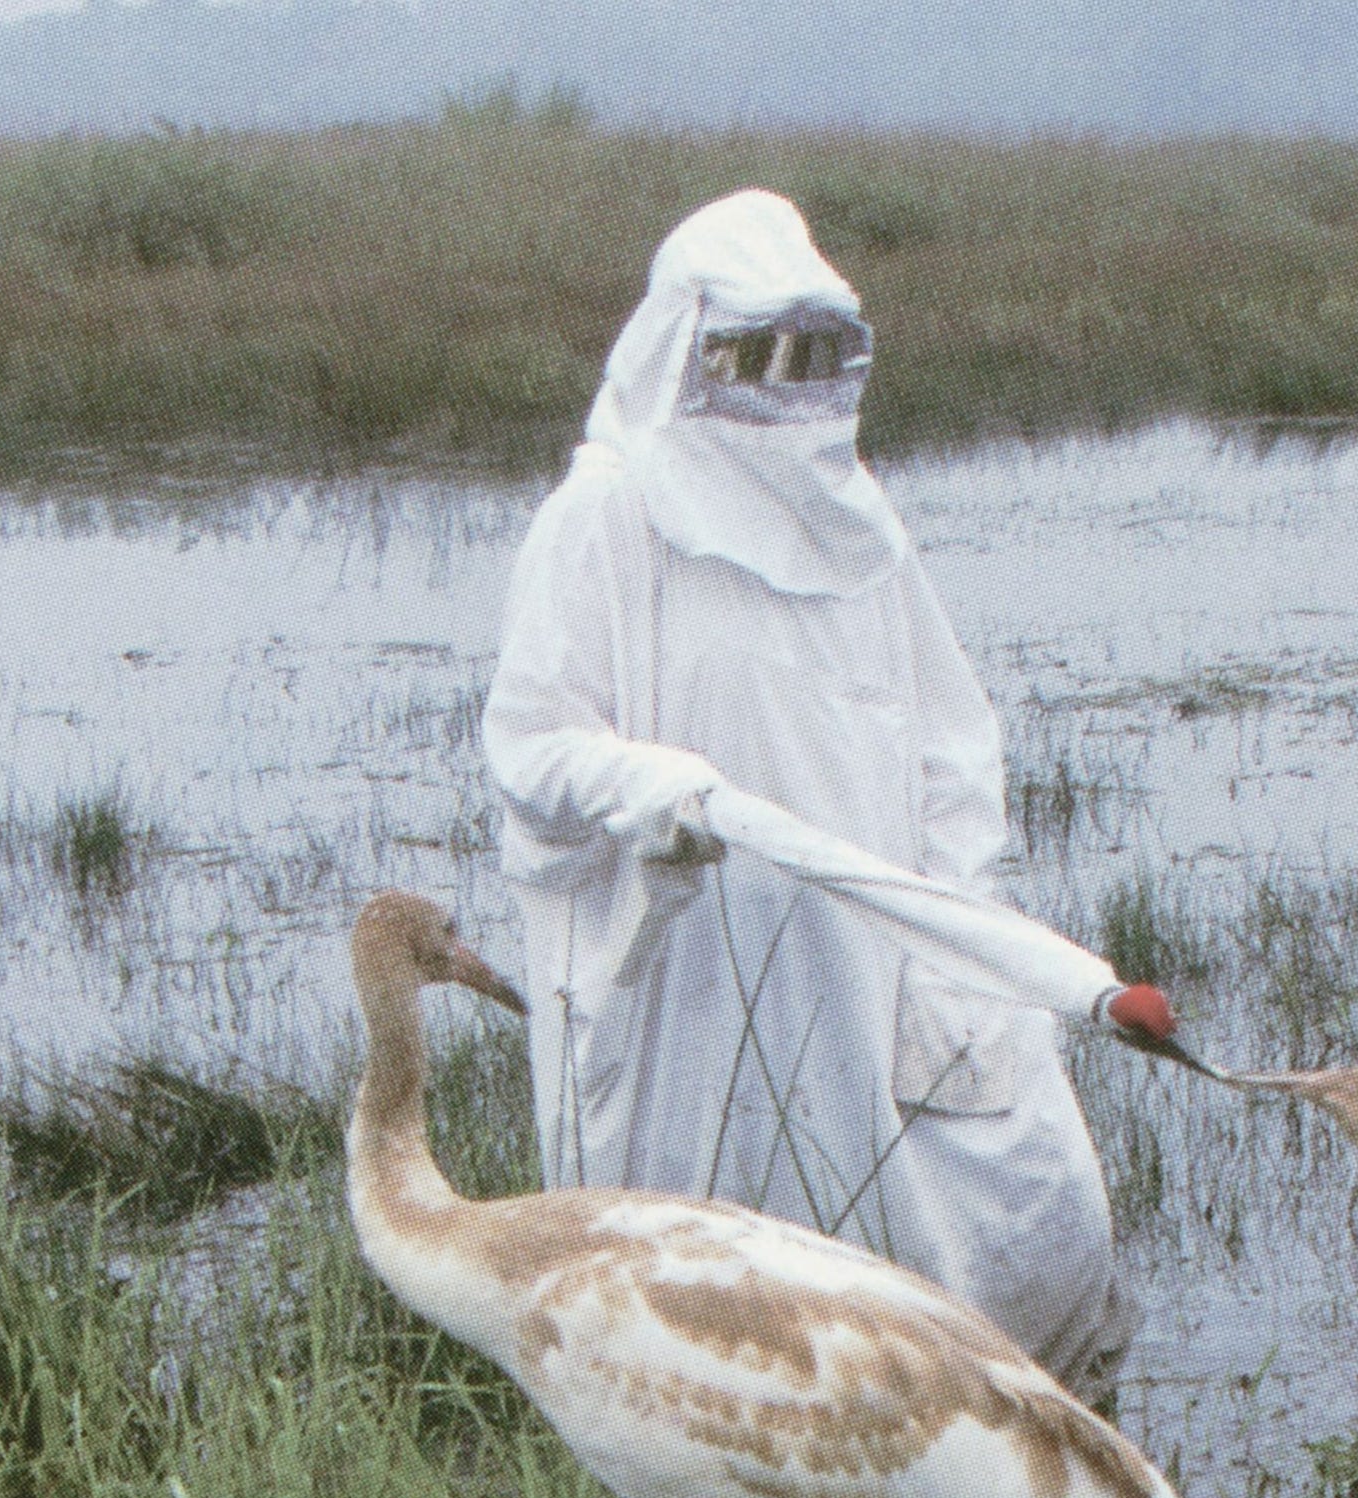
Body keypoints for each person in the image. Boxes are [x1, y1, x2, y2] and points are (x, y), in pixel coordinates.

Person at [483, 189, 1134, 1394]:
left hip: (865, 946)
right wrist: (645, 783)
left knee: (1010, 1224)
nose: (786, 391)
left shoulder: (860, 529)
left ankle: (939, 1447)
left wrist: (951, 930)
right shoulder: (607, 520)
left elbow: (952, 749)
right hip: (688, 964)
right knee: (705, 1285)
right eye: (754, 357)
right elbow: (531, 749)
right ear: (687, 351)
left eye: (815, 357)